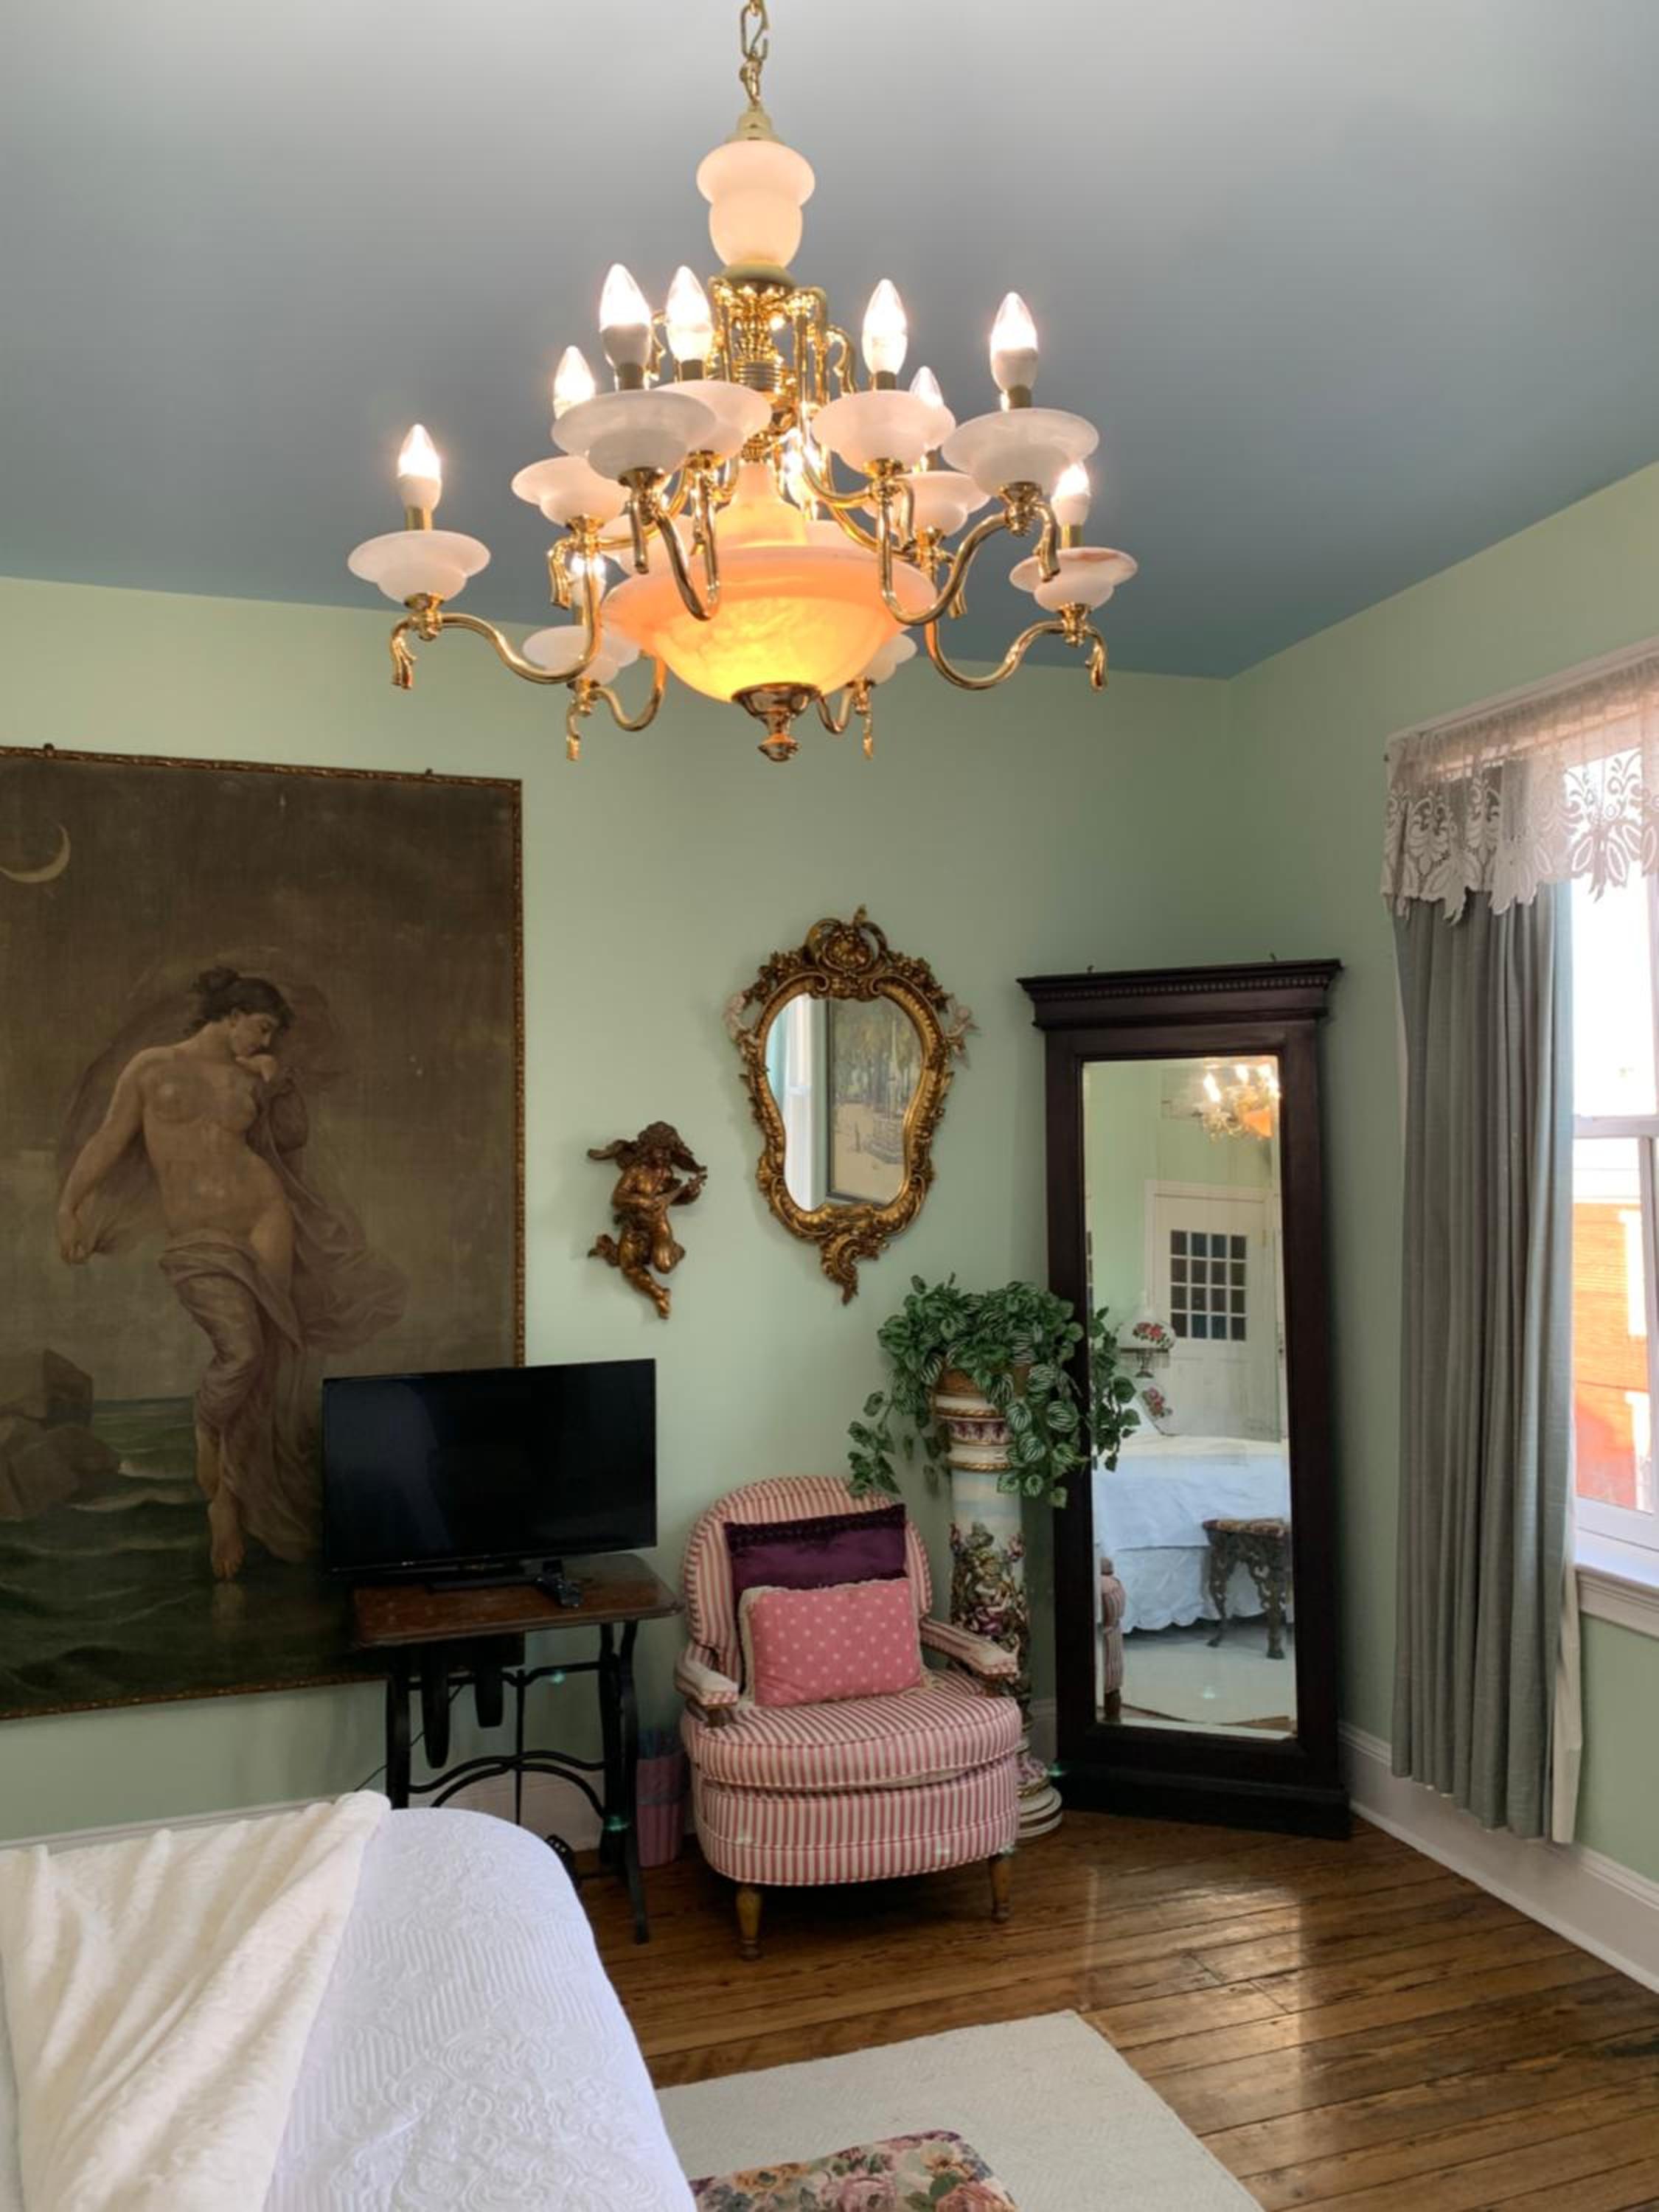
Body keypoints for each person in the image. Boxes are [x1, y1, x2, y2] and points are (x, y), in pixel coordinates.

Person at [56, 966, 404, 1578]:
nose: (265, 1041)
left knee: (266, 1359)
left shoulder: (253, 1075)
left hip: (266, 1215)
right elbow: (110, 1138)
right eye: (262, 1028)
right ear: (233, 1014)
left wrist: (280, 1085)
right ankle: (206, 1429)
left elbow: (292, 1140)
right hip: (198, 1232)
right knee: (240, 1352)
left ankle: (231, 1503)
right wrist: (69, 1206)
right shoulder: (152, 1065)